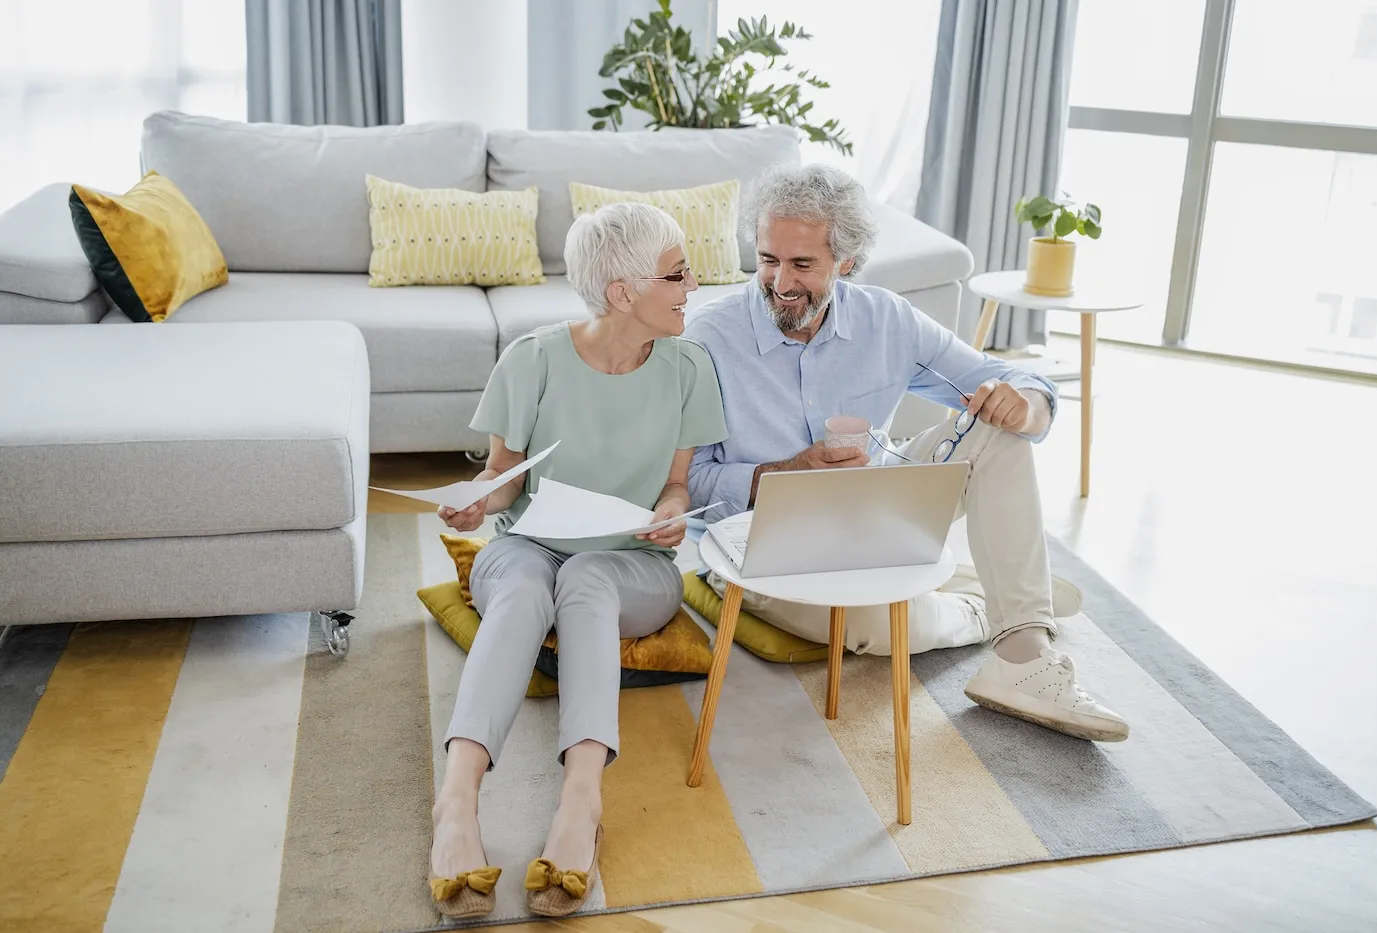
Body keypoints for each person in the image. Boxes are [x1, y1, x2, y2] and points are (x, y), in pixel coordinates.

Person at [684, 163, 1128, 744]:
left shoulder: (884, 319)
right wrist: (783, 473)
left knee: (997, 429)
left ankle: (1023, 658)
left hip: (878, 514)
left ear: (845, 261)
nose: (781, 282)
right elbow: (685, 483)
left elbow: (1005, 380)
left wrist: (1027, 406)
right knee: (877, 623)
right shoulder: (706, 340)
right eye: (768, 259)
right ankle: (993, 603)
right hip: (767, 550)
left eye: (802, 265)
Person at [428, 202, 727, 920]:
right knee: (532, 582)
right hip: (525, 548)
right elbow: (504, 478)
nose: (694, 286)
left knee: (587, 577)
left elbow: (679, 483)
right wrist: (476, 503)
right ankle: (457, 801)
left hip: (633, 566)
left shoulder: (690, 367)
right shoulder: (531, 359)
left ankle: (581, 799)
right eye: (678, 273)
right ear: (625, 292)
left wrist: (668, 509)